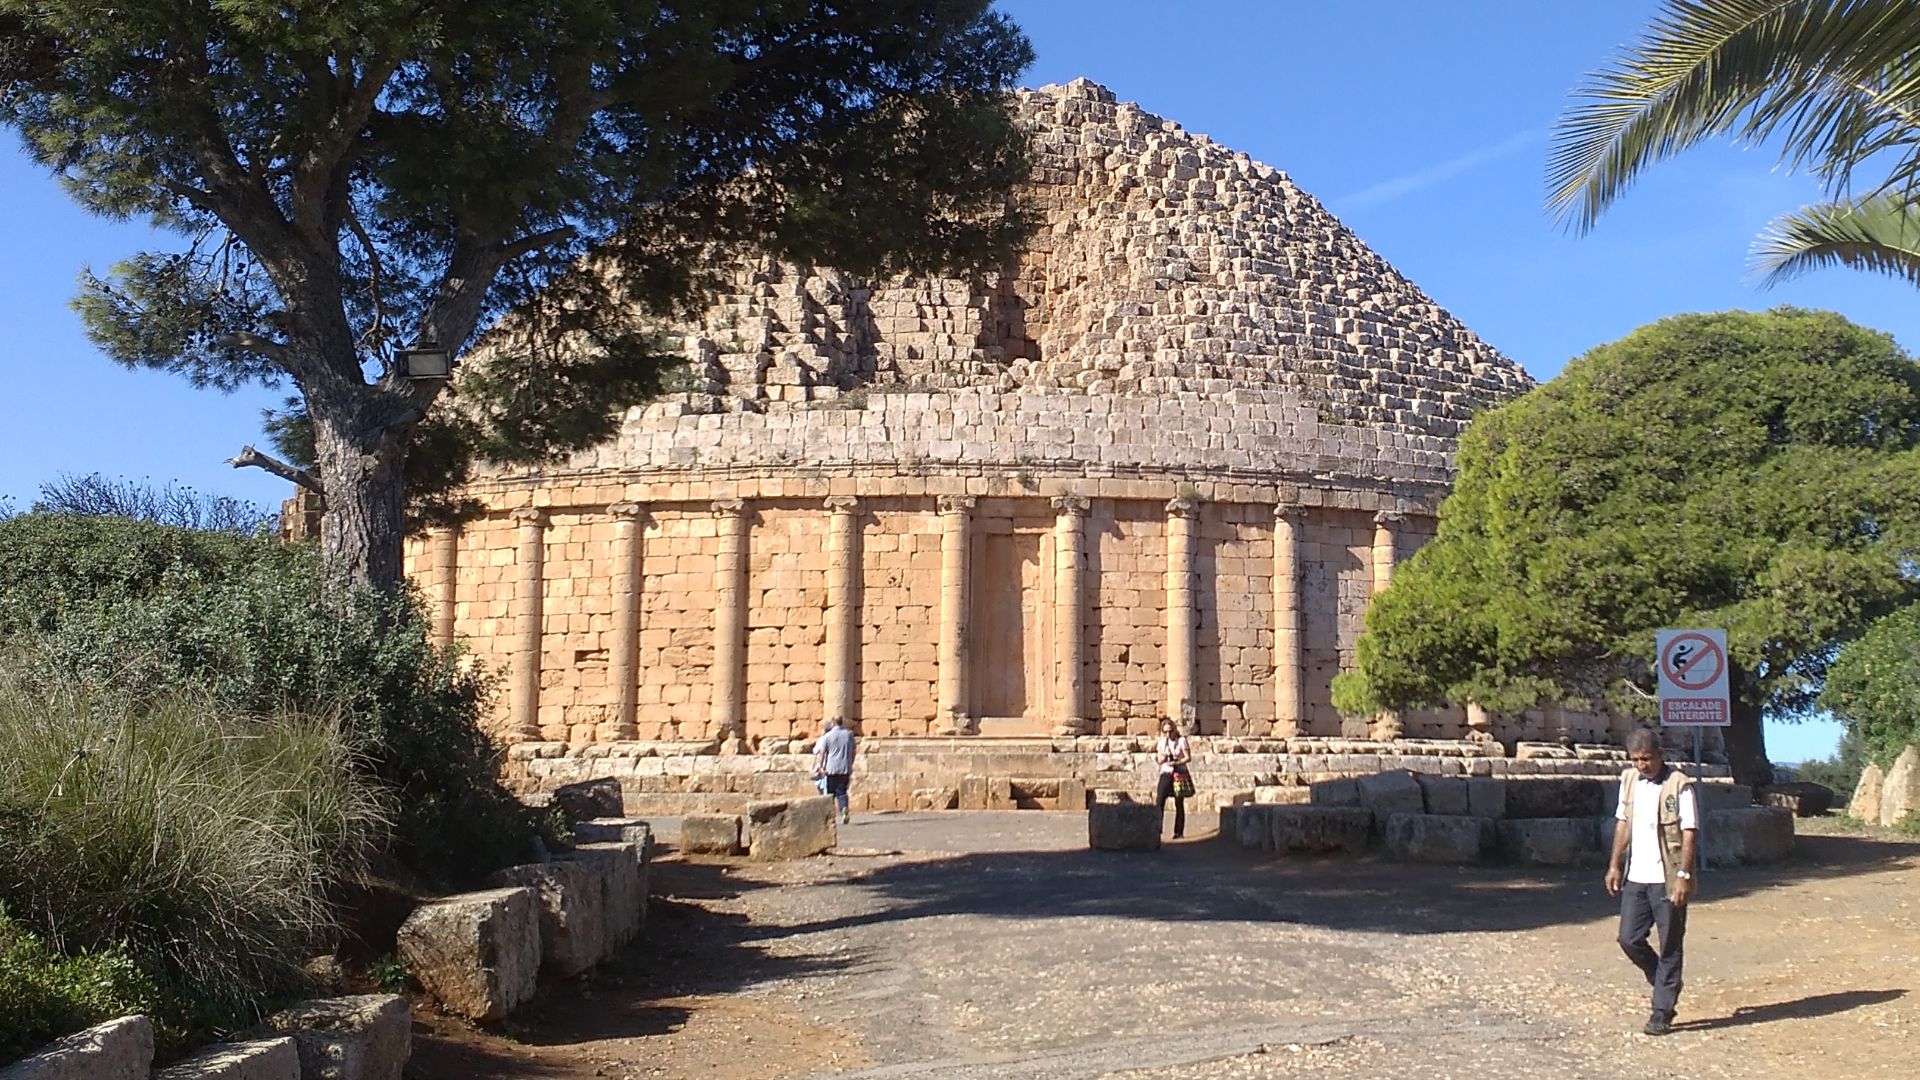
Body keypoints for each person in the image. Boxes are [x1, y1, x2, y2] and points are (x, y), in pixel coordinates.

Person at [1605, 727, 1699, 1036]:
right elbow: (1623, 822)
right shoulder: (1629, 781)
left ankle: (1662, 1010)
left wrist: (1684, 875)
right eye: (1636, 759)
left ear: (1659, 754)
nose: (1641, 765)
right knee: (1629, 939)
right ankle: (1663, 978)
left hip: (1667, 878)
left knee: (1670, 943)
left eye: (1646, 758)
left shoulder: (1679, 786)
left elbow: (1689, 831)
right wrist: (1614, 864)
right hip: (1637, 875)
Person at [1154, 718, 1192, 839]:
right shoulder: (1161, 743)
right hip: (1165, 773)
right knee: (1159, 801)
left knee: (1178, 803)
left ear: (1174, 730)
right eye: (1165, 732)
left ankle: (1178, 832)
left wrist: (1177, 762)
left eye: (1170, 731)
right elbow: (1159, 760)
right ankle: (1157, 829)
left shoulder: (1182, 741)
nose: (1168, 734)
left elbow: (1188, 757)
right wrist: (1163, 758)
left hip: (1179, 773)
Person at [815, 717, 857, 824]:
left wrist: (820, 767)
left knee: (830, 793)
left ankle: (830, 816)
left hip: (831, 769)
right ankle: (844, 808)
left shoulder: (827, 736)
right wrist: (850, 764)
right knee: (842, 792)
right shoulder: (849, 735)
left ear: (833, 723)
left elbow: (822, 753)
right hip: (844, 768)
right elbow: (853, 752)